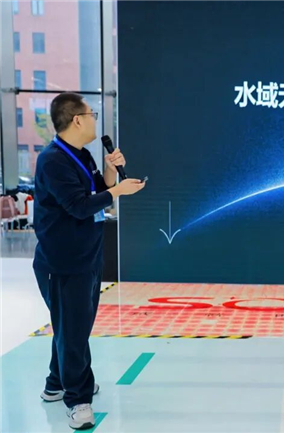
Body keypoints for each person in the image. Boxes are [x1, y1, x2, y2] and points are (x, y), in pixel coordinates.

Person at [32, 93, 145, 430]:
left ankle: (55, 383)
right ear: (77, 119)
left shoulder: (80, 154)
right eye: (91, 113)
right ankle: (78, 399)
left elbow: (95, 190)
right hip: (63, 263)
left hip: (86, 256)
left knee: (70, 326)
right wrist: (118, 192)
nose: (95, 118)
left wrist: (110, 173)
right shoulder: (53, 161)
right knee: (73, 331)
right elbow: (79, 206)